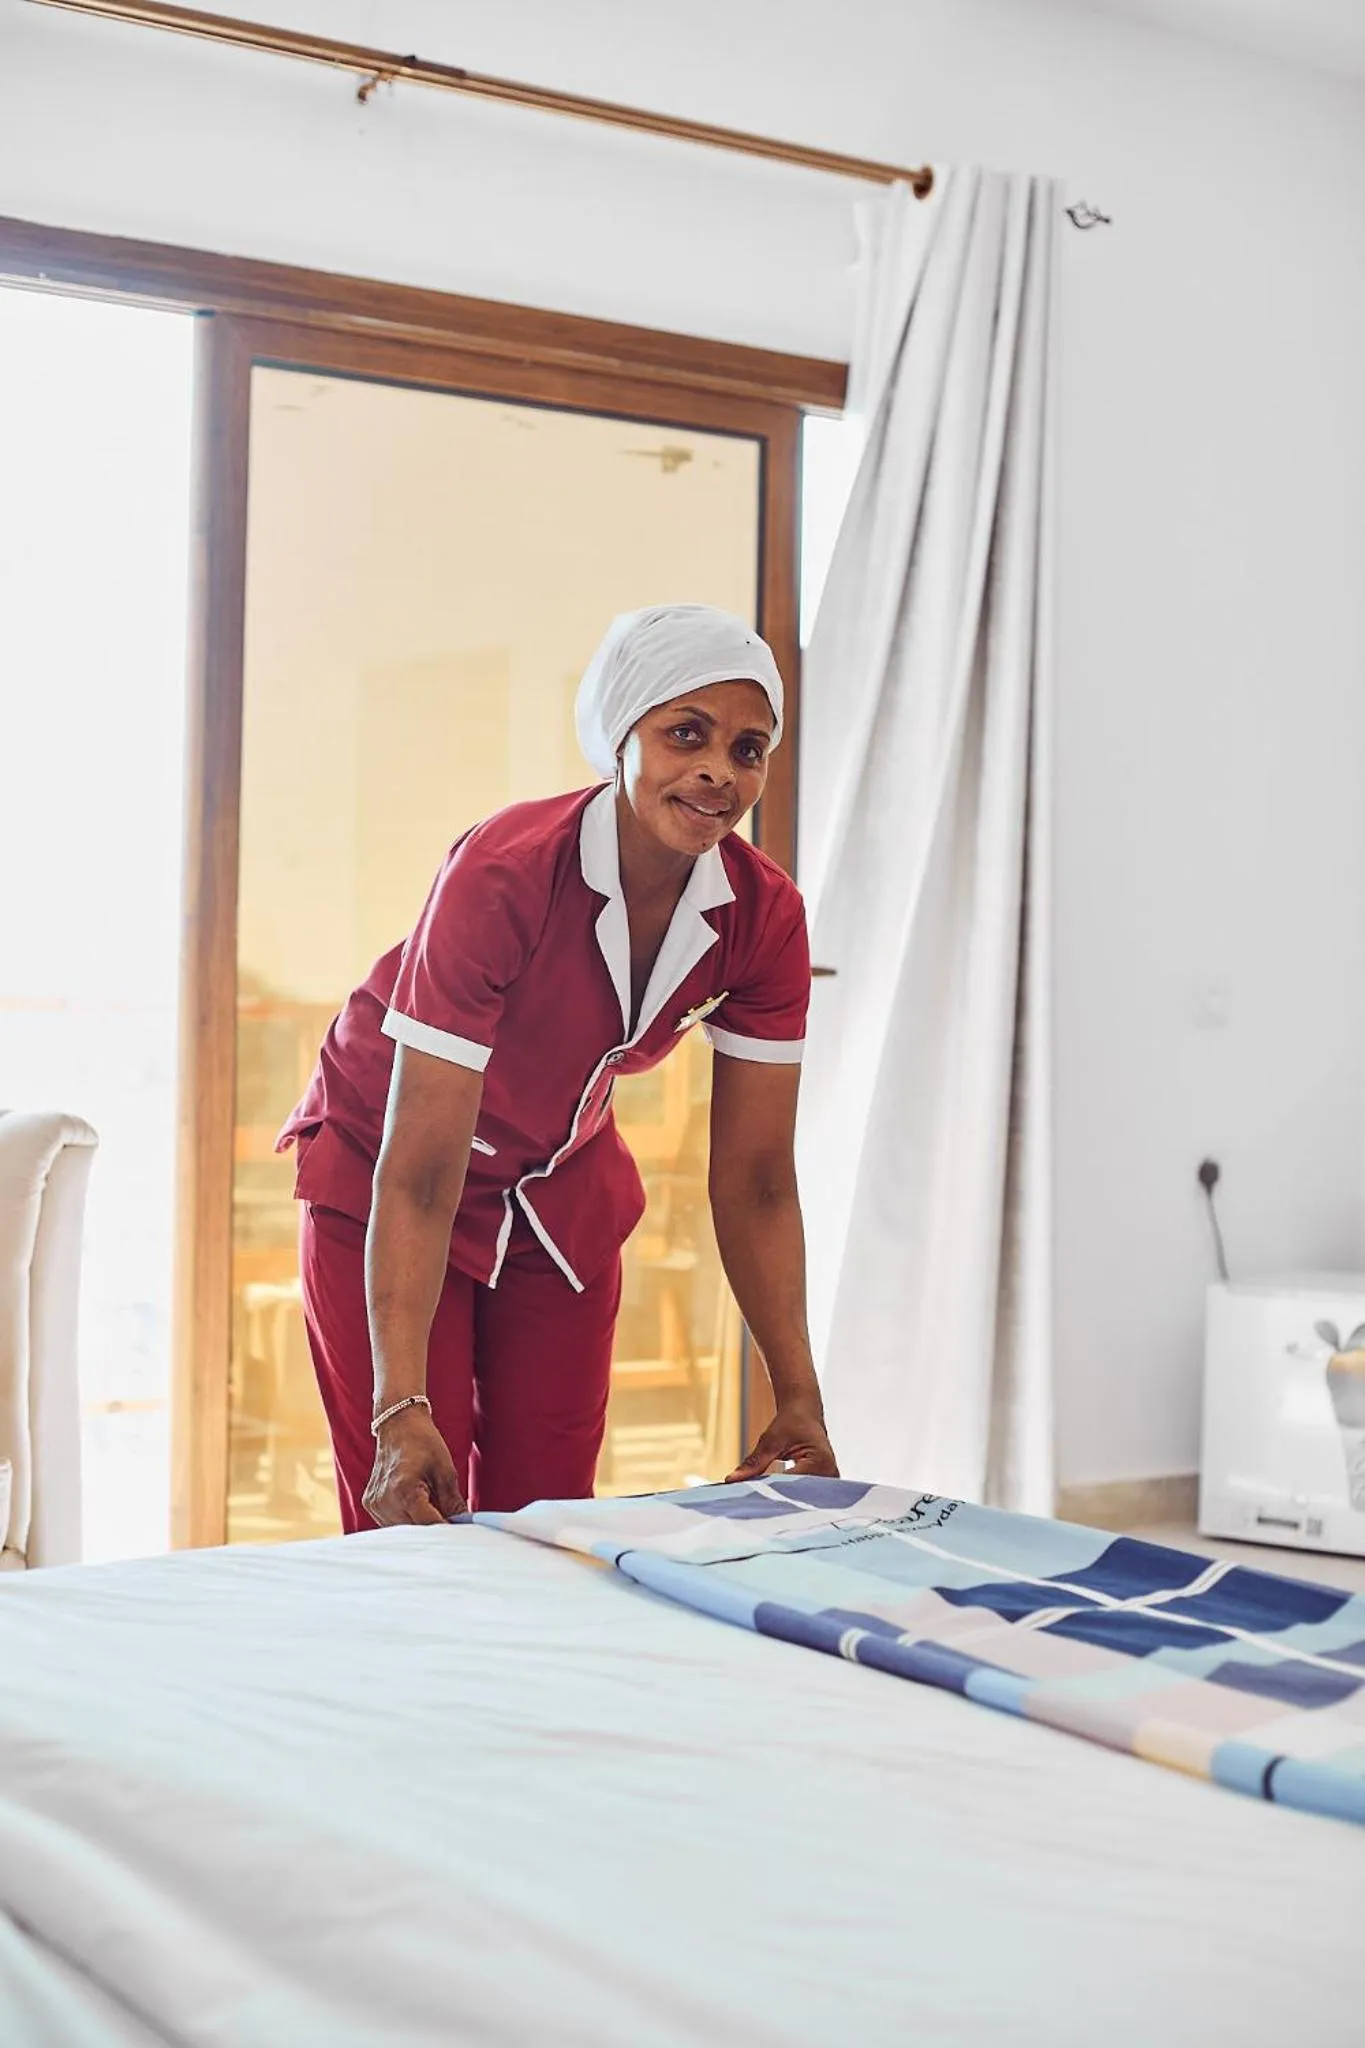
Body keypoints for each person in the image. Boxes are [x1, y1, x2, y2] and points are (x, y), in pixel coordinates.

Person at [278, 603, 838, 1529]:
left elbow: (758, 1181)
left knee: (551, 1520)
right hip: (390, 1172)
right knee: (417, 1515)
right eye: (684, 733)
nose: (716, 770)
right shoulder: (505, 870)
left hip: (554, 1189)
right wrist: (398, 1406)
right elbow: (418, 1174)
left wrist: (798, 1392)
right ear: (618, 737)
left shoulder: (763, 916)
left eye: (748, 748)